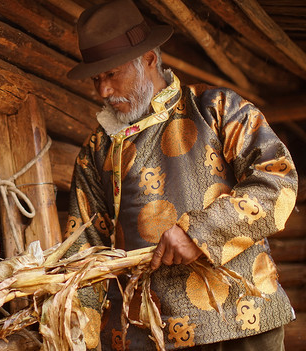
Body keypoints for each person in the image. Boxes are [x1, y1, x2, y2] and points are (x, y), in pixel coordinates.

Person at [63, 0, 298, 350]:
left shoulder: (217, 108)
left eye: (112, 74)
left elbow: (279, 180)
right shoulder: (96, 151)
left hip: (246, 321)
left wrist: (199, 233)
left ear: (148, 59)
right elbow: (84, 251)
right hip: (150, 335)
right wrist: (75, 333)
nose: (103, 91)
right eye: (97, 79)